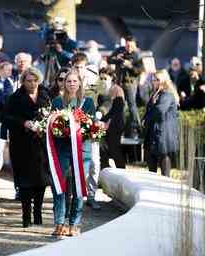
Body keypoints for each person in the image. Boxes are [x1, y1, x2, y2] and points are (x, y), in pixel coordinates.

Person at [3, 67, 51, 227]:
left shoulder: (46, 94)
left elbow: (52, 114)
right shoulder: (15, 97)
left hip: (41, 145)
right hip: (22, 145)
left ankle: (37, 213)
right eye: (29, 81)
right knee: (25, 182)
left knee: (41, 180)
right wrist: (24, 123)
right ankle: (26, 216)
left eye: (35, 80)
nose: (32, 84)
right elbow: (7, 118)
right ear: (23, 81)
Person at [51, 69, 95, 236]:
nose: (71, 84)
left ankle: (74, 224)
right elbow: (52, 124)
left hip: (82, 149)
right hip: (62, 148)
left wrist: (79, 128)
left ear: (79, 83)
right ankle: (59, 223)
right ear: (64, 83)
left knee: (78, 186)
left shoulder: (88, 102)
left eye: (74, 81)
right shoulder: (56, 101)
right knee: (59, 184)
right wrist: (61, 128)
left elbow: (91, 126)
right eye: (68, 81)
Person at [72, 52, 101, 210]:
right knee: (78, 163)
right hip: (74, 127)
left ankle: (92, 195)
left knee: (94, 163)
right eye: (76, 67)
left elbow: (105, 98)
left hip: (92, 126)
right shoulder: (69, 81)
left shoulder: (95, 80)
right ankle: (77, 195)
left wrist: (101, 112)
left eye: (81, 67)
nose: (79, 70)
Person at [143, 69, 179, 177]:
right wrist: (144, 118)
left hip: (163, 134)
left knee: (164, 165)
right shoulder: (155, 94)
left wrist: (146, 118)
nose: (154, 81)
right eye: (153, 79)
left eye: (157, 79)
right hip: (154, 133)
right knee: (151, 163)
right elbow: (149, 110)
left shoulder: (167, 94)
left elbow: (160, 110)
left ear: (163, 81)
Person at [108, 36, 142, 138]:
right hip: (119, 82)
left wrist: (130, 65)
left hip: (130, 84)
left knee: (132, 106)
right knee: (119, 107)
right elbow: (109, 59)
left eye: (131, 46)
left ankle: (136, 129)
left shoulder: (137, 56)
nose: (129, 48)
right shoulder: (120, 50)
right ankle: (120, 130)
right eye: (127, 45)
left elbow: (139, 71)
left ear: (135, 46)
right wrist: (116, 58)